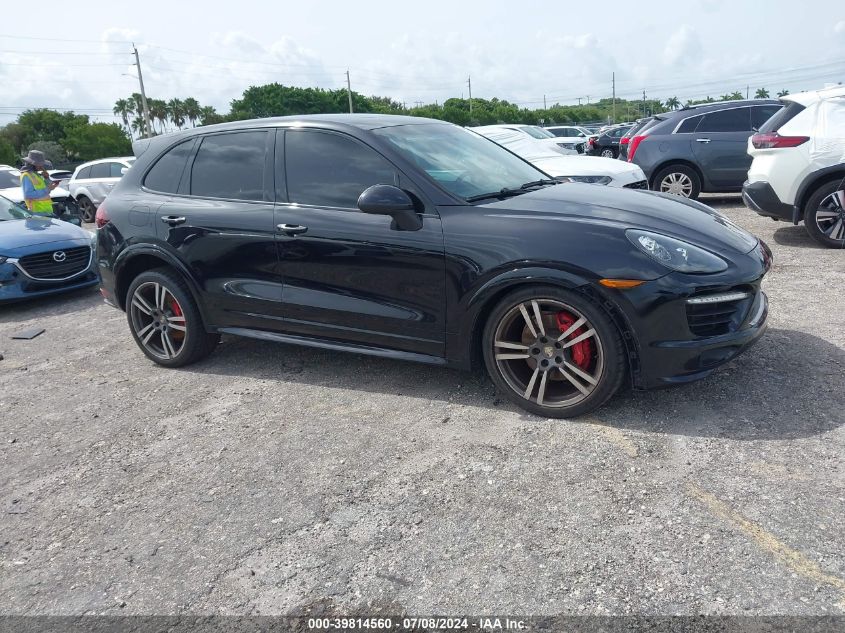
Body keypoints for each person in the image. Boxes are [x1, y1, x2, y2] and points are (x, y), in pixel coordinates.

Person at [19, 150, 57, 216]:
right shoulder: (26, 176)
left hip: (46, 212)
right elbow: (28, 195)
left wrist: (46, 178)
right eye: (39, 164)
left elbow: (44, 189)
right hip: (37, 213)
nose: (42, 166)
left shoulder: (35, 174)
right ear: (32, 164)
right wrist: (47, 189)